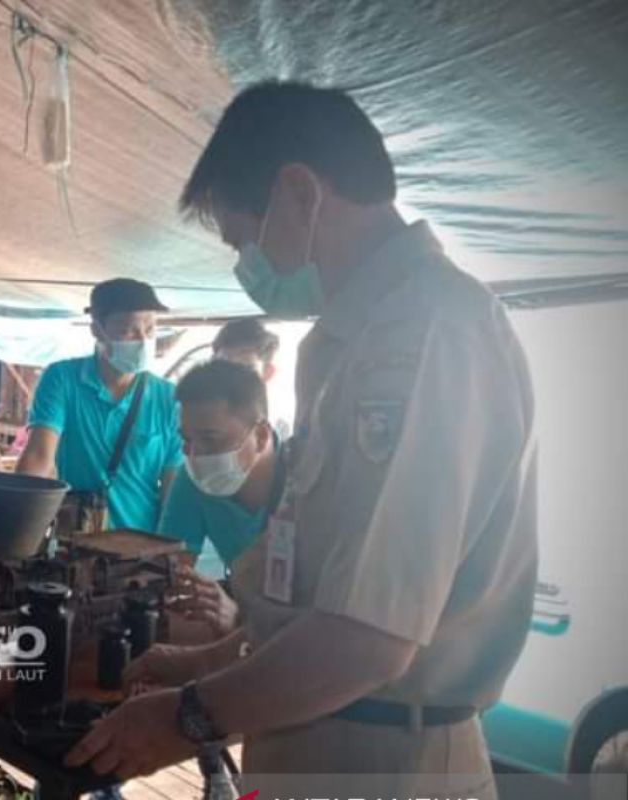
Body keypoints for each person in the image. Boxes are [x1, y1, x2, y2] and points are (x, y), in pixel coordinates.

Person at [66, 82, 536, 798]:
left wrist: (186, 716)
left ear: (298, 193)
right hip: (319, 735)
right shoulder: (351, 342)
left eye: (242, 239)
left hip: (382, 760)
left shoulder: (428, 334)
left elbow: (369, 640)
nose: (245, 267)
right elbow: (322, 590)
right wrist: (212, 662)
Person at [16, 278, 182, 533]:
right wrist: (19, 527)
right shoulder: (62, 379)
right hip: (73, 545)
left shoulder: (169, 399)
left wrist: (171, 554)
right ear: (97, 330)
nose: (142, 340)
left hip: (142, 550)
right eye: (128, 330)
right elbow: (39, 456)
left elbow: (174, 490)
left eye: (149, 330)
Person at [158, 360, 282, 636]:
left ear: (260, 436)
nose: (197, 455)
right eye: (187, 441)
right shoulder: (191, 481)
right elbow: (169, 570)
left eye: (211, 440)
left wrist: (240, 620)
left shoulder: (307, 485)